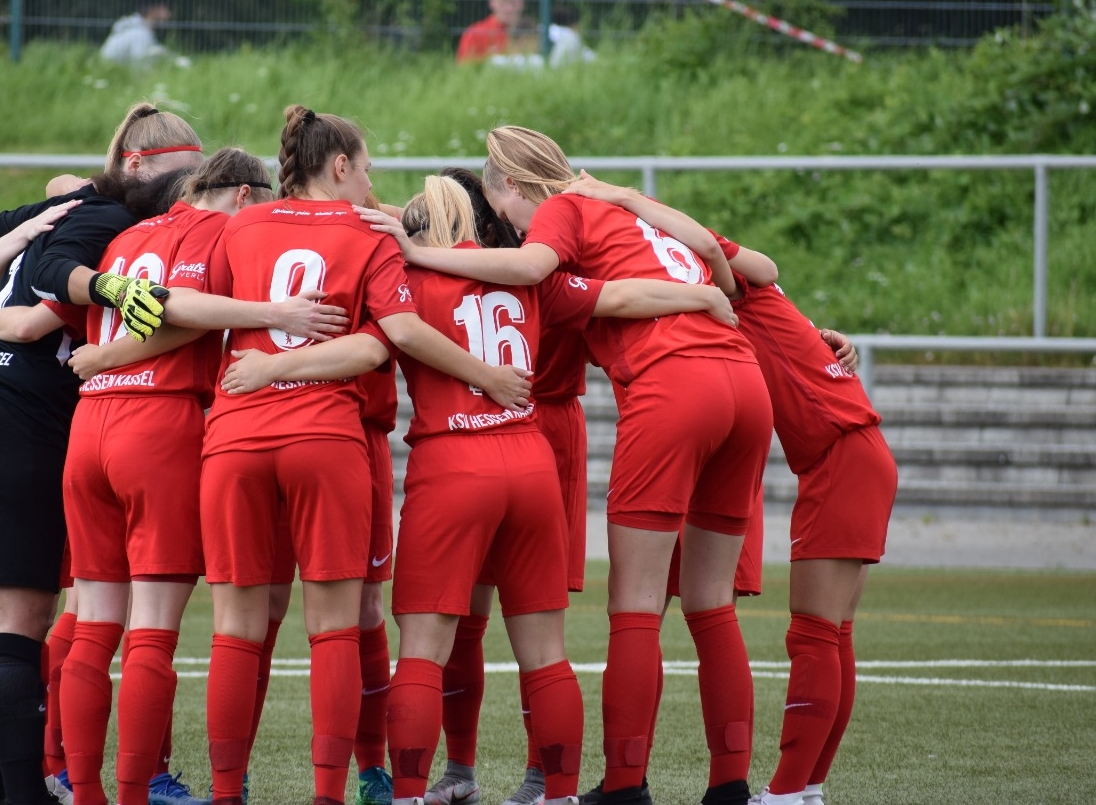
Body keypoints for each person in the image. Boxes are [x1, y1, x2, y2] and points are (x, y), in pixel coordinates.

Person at [107, 106, 532, 805]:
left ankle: (226, 793)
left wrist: (108, 357)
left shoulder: (240, 224)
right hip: (329, 438)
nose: (371, 185)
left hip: (236, 437)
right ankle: (337, 790)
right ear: (339, 166)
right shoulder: (367, 235)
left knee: (236, 632)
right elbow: (383, 341)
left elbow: (182, 307)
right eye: (365, 170)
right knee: (339, 627)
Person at [369, 126, 772, 805]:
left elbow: (404, 325)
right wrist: (707, 296)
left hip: (476, 446)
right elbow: (716, 265)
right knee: (596, 634)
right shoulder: (604, 230)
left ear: (510, 187)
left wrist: (400, 248)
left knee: (441, 637)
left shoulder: (499, 253)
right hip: (576, 437)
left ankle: (597, 785)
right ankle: (580, 788)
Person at [564, 177, 896, 805]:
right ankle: (798, 790)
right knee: (816, 632)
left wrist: (627, 199)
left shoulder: (703, 271)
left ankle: (783, 791)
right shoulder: (699, 283)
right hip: (821, 445)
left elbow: (751, 265)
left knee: (808, 635)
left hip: (830, 453)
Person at [49, 149, 351, 805]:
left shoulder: (128, 235)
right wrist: (275, 314)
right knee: (152, 631)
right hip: (155, 422)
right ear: (244, 195)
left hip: (89, 424)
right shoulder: (218, 230)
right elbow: (181, 311)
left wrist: (103, 357)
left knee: (93, 623)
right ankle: (134, 793)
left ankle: (83, 790)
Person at [0, 103, 206, 805]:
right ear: (138, 164)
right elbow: (47, 287)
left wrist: (24, 232)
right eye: (182, 170)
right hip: (19, 419)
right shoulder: (113, 222)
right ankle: (26, 793)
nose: (189, 186)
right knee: (19, 626)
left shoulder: (87, 205)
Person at [101, 0, 186, 69]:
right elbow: (138, 67)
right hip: (112, 72)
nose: (168, 15)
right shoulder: (140, 34)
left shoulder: (135, 28)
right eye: (165, 9)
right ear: (152, 10)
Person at [456, 0, 524, 62]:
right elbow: (464, 66)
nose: (509, 8)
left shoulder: (531, 33)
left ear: (521, 3)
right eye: (503, 2)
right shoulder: (475, 34)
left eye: (513, 2)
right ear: (492, 3)